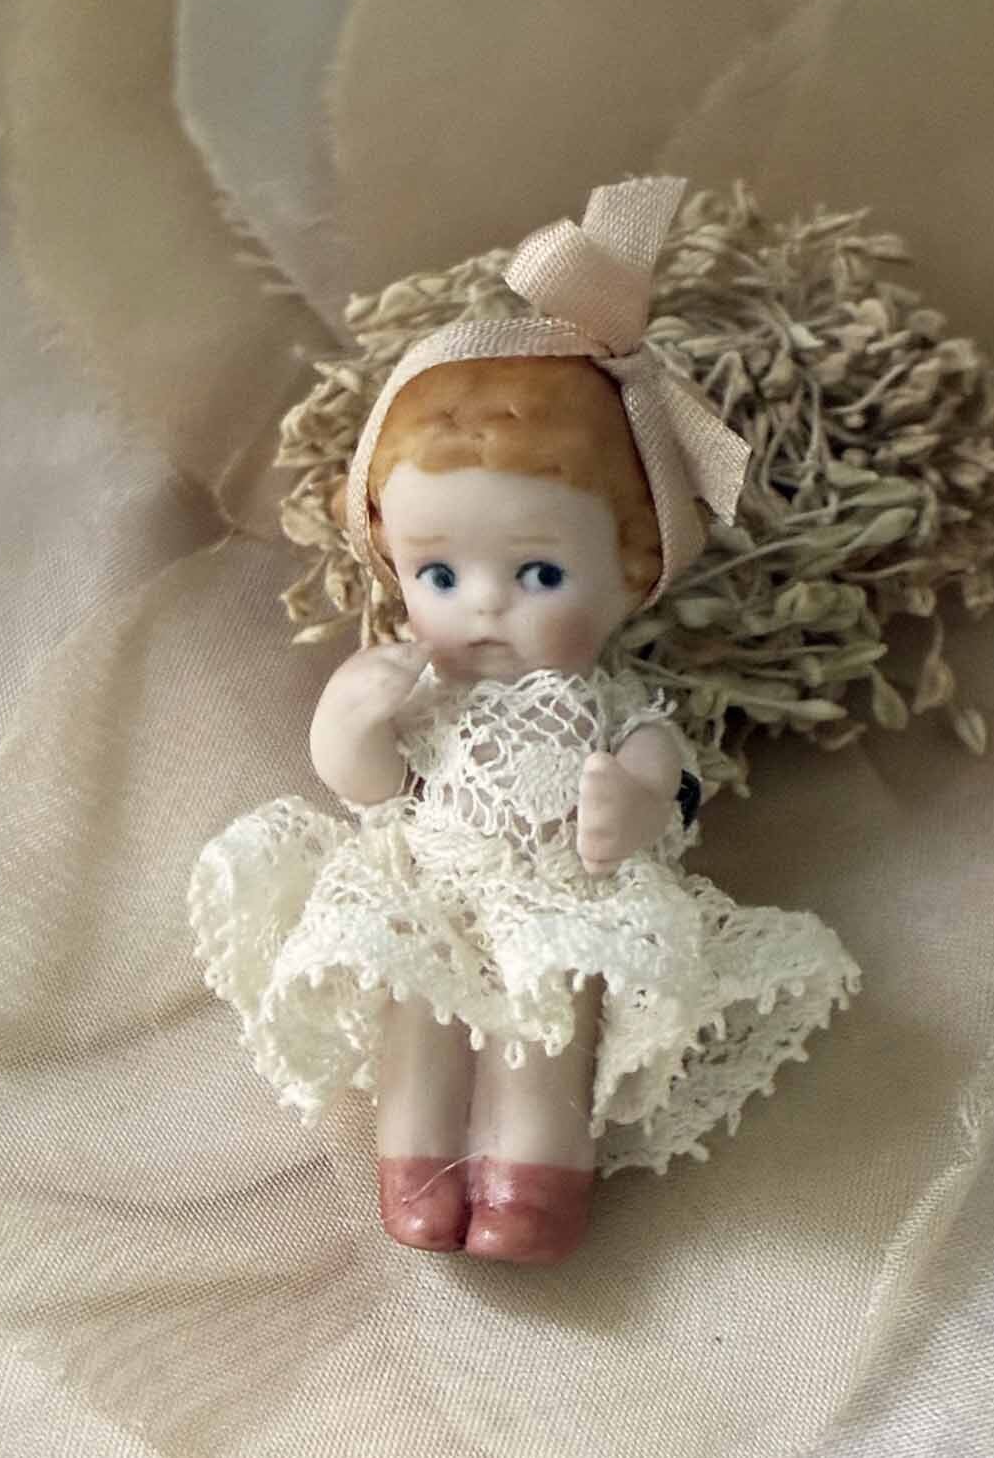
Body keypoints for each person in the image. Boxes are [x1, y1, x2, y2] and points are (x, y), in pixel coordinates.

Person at [188, 177, 859, 1265]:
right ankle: (418, 1165)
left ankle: (533, 1179)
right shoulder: (423, 684)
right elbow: (371, 786)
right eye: (438, 573)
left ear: (632, 571)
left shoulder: (611, 702)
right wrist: (351, 719)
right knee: (422, 1016)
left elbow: (665, 771)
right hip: (433, 882)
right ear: (391, 561)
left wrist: (633, 800)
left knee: (548, 1031)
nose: (483, 606)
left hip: (563, 897)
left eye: (537, 571)